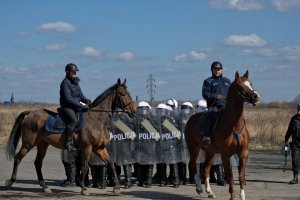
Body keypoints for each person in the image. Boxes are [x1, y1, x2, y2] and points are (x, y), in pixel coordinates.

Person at [59, 63, 91, 151]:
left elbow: (81, 95)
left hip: (76, 105)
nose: (75, 73)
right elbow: (68, 99)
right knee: (74, 120)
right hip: (67, 107)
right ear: (68, 72)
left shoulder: (76, 81)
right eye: (73, 72)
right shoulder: (65, 83)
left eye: (75, 72)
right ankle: (68, 142)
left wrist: (88, 101)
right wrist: (81, 105)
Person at [201, 61, 231, 145]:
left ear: (221, 70)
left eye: (219, 69)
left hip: (226, 107)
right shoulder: (208, 81)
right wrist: (215, 96)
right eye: (215, 69)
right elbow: (205, 94)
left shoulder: (227, 81)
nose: (217, 71)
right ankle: (207, 136)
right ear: (212, 70)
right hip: (214, 107)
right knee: (211, 117)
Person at [284, 103, 300, 184]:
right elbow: (289, 130)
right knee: (295, 160)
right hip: (295, 144)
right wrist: (286, 140)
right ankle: (295, 178)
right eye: (298, 108)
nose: (299, 110)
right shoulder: (294, 119)